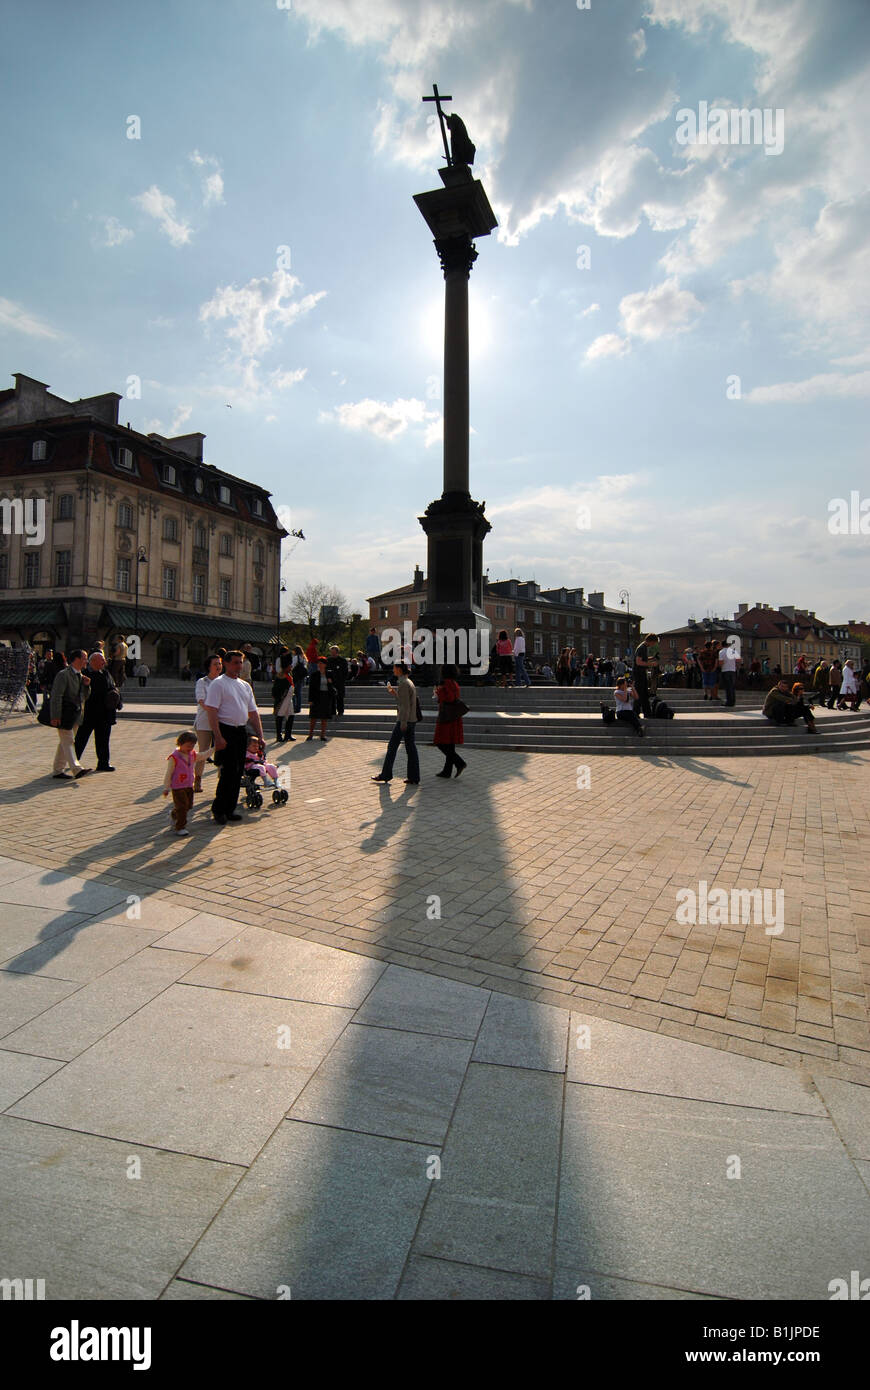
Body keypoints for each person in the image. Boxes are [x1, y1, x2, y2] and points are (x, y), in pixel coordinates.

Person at [204, 650, 266, 823]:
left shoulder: (244, 685)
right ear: (226, 663)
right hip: (225, 730)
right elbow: (212, 711)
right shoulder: (218, 684)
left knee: (238, 771)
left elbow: (253, 712)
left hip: (240, 731)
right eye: (235, 662)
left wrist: (260, 736)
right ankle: (219, 809)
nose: (239, 666)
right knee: (228, 771)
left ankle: (230, 809)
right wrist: (218, 736)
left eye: (241, 662)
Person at [372, 661, 420, 783]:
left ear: (399, 669)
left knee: (392, 747)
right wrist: (394, 693)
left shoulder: (403, 683)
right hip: (411, 719)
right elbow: (405, 701)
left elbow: (404, 706)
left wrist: (403, 722)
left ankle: (386, 774)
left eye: (394, 667)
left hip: (404, 720)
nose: (393, 670)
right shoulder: (408, 681)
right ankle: (414, 776)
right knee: (411, 748)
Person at [49, 649, 93, 780]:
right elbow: (56, 696)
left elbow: (85, 696)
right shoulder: (63, 675)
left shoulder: (80, 675)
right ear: (77, 659)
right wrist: (55, 716)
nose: (87, 661)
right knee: (69, 742)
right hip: (64, 715)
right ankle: (76, 769)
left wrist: (86, 685)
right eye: (85, 658)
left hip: (75, 715)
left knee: (64, 743)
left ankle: (58, 770)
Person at [74, 650, 119, 771]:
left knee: (103, 740)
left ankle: (103, 763)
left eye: (104, 659)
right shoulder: (84, 674)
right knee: (81, 739)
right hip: (89, 713)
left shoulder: (105, 673)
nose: (104, 661)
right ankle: (73, 761)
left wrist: (117, 700)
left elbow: (113, 688)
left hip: (104, 713)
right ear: (92, 661)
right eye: (101, 659)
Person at [432, 663, 466, 777]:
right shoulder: (454, 683)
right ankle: (447, 771)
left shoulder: (446, 683)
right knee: (450, 744)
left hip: (446, 716)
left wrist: (438, 692)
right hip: (454, 716)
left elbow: (448, 698)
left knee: (440, 742)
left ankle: (459, 762)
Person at [193, 654, 222, 791]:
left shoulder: (224, 681)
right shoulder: (202, 682)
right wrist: (213, 712)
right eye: (215, 664)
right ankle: (197, 780)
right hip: (205, 722)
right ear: (209, 666)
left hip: (221, 722)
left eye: (220, 663)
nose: (218, 666)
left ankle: (221, 782)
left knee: (222, 752)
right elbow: (202, 701)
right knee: (203, 752)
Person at [162, 731, 197, 836]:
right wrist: (166, 787)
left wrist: (213, 749)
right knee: (182, 808)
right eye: (188, 746)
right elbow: (169, 773)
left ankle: (173, 814)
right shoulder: (174, 757)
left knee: (188, 806)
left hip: (189, 785)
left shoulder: (192, 754)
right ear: (180, 744)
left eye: (192, 746)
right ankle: (180, 827)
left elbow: (203, 756)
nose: (190, 748)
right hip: (178, 786)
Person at [307, 656, 333, 741]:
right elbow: (311, 688)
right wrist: (310, 700)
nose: (319, 665)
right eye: (318, 663)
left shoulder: (329, 674)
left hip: (325, 696)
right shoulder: (314, 674)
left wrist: (330, 683)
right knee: (313, 717)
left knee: (324, 717)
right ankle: (310, 735)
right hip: (316, 697)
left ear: (325, 665)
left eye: (321, 663)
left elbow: (333, 686)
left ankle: (322, 735)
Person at [632, 633, 658, 717]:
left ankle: (647, 713)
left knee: (644, 694)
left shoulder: (643, 647)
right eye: (654, 643)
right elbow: (638, 662)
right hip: (639, 674)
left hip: (641, 673)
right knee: (639, 693)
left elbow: (643, 659)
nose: (653, 645)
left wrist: (652, 657)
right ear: (650, 641)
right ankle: (636, 712)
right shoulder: (641, 648)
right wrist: (651, 664)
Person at [272, 662, 296, 743]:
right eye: (289, 666)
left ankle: (288, 734)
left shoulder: (289, 675)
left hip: (289, 698)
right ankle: (279, 735)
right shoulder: (281, 676)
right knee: (280, 715)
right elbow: (276, 689)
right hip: (283, 698)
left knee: (291, 715)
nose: (291, 667)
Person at [718, 639, 742, 708]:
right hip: (733, 670)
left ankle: (729, 702)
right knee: (732, 686)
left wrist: (720, 666)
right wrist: (736, 666)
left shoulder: (721, 652)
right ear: (728, 645)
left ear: (722, 645)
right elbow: (739, 660)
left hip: (725, 670)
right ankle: (733, 701)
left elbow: (721, 663)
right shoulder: (733, 651)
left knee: (727, 687)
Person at [326, 645, 349, 716]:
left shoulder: (342, 661)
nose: (332, 654)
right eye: (331, 652)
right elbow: (326, 670)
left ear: (337, 652)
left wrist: (342, 680)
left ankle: (340, 711)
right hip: (331, 682)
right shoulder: (328, 660)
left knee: (340, 697)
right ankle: (332, 711)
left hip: (340, 682)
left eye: (334, 652)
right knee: (331, 698)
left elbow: (345, 672)